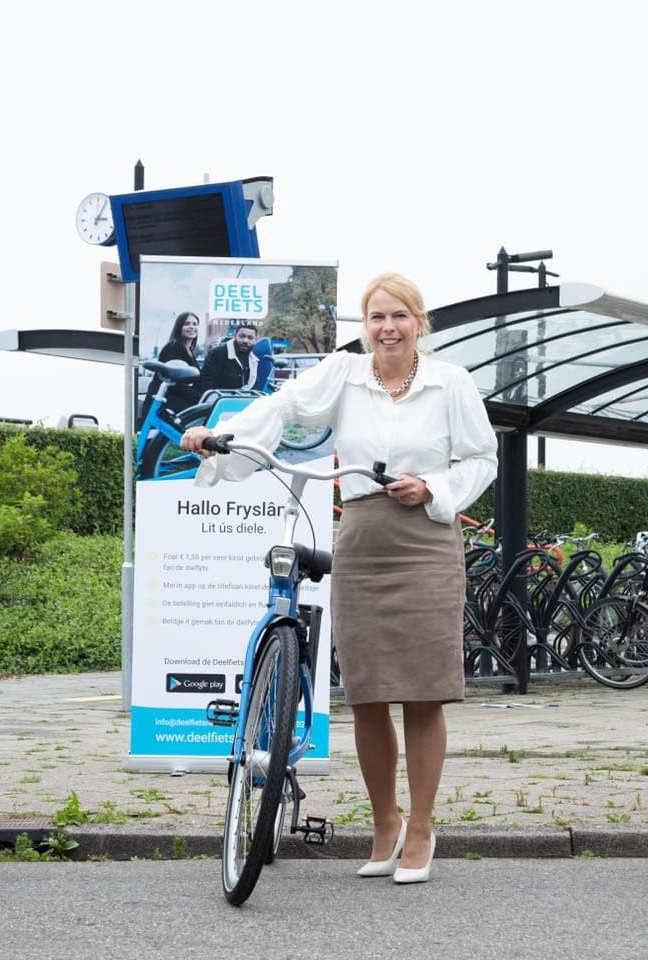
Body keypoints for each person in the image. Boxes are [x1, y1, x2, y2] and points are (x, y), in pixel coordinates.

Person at [182, 273, 496, 885]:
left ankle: (423, 828)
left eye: (398, 316)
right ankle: (385, 824)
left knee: (424, 690)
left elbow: (481, 458)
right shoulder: (345, 373)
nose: (387, 328)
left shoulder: (450, 383)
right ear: (365, 325)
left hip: (427, 539)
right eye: (376, 317)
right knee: (368, 692)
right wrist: (223, 439)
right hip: (361, 538)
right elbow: (285, 405)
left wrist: (434, 488)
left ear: (418, 322)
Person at [145, 312, 201, 415]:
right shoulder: (173, 348)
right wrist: (199, 397)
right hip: (165, 401)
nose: (191, 327)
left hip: (176, 398)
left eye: (194, 324)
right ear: (179, 327)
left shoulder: (189, 351)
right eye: (187, 324)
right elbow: (176, 383)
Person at [198, 322, 258, 395]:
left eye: (250, 338)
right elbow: (206, 385)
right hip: (219, 403)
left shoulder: (253, 360)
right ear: (235, 336)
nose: (245, 341)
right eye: (242, 336)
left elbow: (254, 388)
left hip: (244, 402)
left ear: (255, 340)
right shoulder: (216, 354)